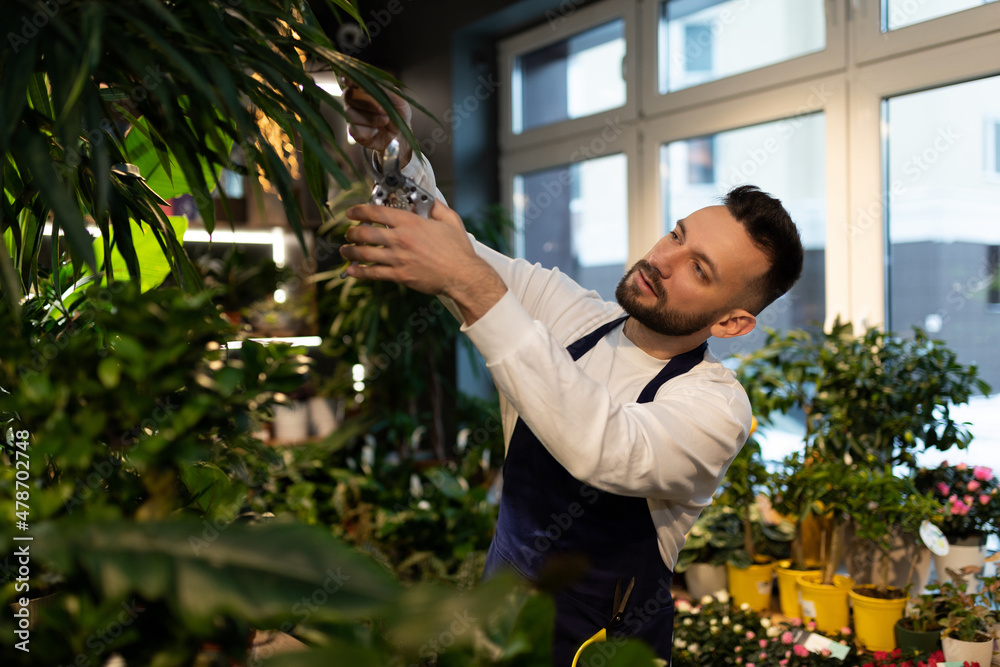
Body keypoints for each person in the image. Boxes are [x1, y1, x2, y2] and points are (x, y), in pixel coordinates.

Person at [338, 81, 804, 665]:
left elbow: (606, 447)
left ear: (733, 323)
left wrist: (473, 286)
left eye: (698, 268)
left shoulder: (716, 407)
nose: (661, 260)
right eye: (677, 234)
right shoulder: (572, 312)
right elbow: (451, 246)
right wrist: (394, 150)